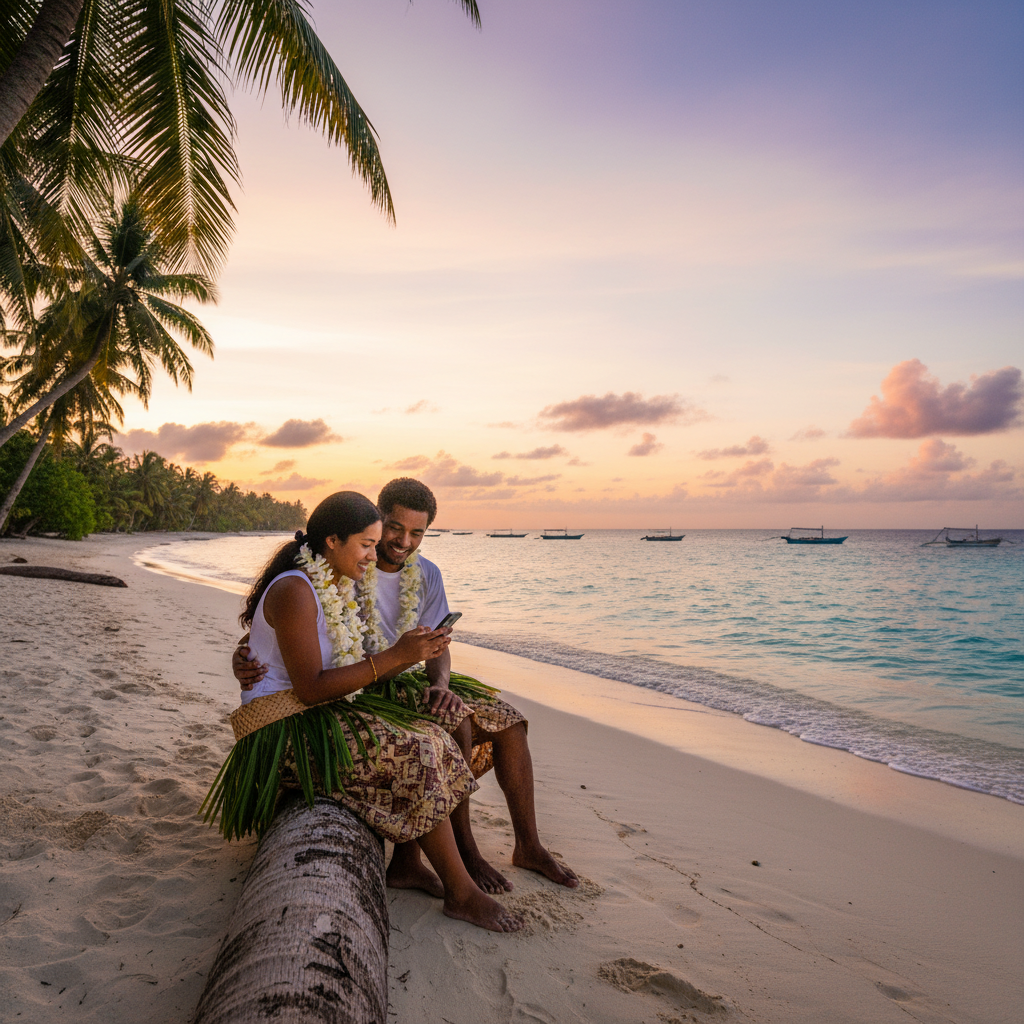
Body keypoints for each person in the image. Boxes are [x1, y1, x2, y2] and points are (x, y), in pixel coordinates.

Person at [236, 478, 578, 895]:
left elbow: (431, 643)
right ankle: (456, 857)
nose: (401, 541)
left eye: (417, 533)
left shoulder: (391, 571)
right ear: (376, 523)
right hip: (343, 691)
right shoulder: (336, 573)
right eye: (392, 530)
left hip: (377, 679)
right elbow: (292, 642)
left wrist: (441, 682)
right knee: (440, 732)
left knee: (506, 721)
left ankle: (528, 846)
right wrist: (244, 656)